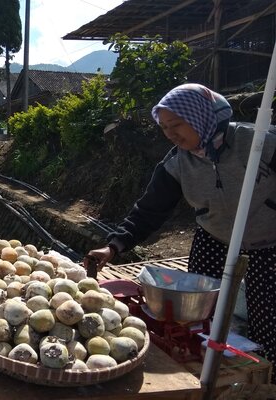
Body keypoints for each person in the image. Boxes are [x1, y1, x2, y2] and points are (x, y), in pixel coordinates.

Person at [83, 83, 276, 382]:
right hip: (215, 239)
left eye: (176, 125)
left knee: (268, 319)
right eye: (164, 127)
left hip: (269, 242)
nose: (170, 133)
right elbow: (149, 210)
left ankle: (265, 379)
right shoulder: (178, 163)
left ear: (201, 116)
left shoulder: (257, 143)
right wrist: (114, 246)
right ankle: (205, 376)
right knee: (198, 317)